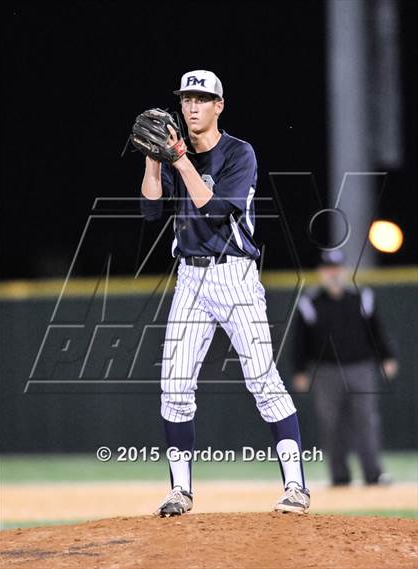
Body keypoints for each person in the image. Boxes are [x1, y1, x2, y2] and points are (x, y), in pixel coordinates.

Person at [140, 69, 310, 516]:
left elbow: (214, 211)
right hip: (190, 278)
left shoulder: (239, 153)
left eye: (201, 99)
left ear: (219, 105)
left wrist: (178, 159)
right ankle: (180, 491)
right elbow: (150, 210)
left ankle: (296, 486)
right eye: (186, 99)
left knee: (263, 380)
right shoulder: (177, 153)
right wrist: (153, 159)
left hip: (233, 276)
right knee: (174, 386)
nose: (191, 107)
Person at [292, 249, 398, 486]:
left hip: (360, 367)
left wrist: (386, 356)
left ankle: (373, 473)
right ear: (321, 272)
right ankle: (339, 476)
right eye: (329, 269)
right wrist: (300, 370)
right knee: (330, 423)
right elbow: (300, 340)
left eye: (337, 269)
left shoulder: (361, 297)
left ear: (344, 271)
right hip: (326, 371)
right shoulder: (310, 301)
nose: (333, 273)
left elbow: (376, 330)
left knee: (366, 420)